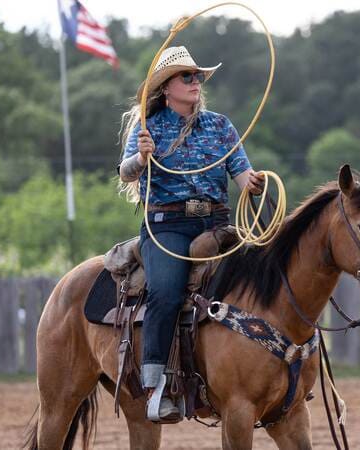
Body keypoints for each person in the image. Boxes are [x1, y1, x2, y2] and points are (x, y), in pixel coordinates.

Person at [118, 46, 265, 421]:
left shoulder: (220, 126)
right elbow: (126, 172)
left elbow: (241, 171)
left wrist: (254, 183)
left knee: (264, 280)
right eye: (187, 76)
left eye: (197, 76)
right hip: (169, 226)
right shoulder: (147, 129)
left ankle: (272, 372)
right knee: (165, 293)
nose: (195, 82)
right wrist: (141, 158)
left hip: (216, 224)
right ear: (167, 87)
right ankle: (155, 388)